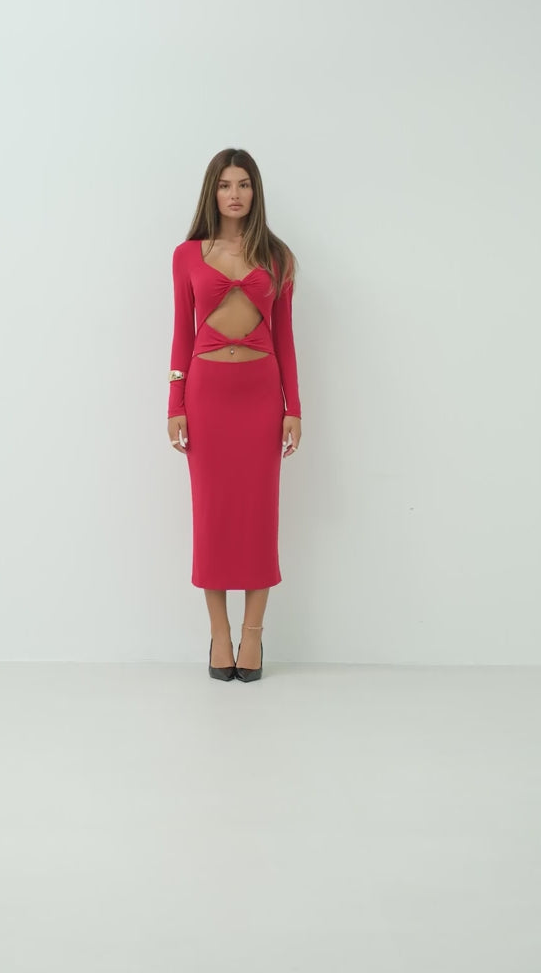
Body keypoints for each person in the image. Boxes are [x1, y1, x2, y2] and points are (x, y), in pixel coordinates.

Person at [166, 148, 302, 682]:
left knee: (259, 515)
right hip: (207, 398)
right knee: (213, 516)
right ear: (213, 192)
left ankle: (253, 635)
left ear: (255, 191)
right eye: (225, 185)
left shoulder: (276, 256)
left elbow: (285, 338)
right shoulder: (186, 255)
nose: (235, 194)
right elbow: (182, 332)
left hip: (260, 397)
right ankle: (219, 636)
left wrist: (294, 407)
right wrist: (174, 403)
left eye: (244, 184)